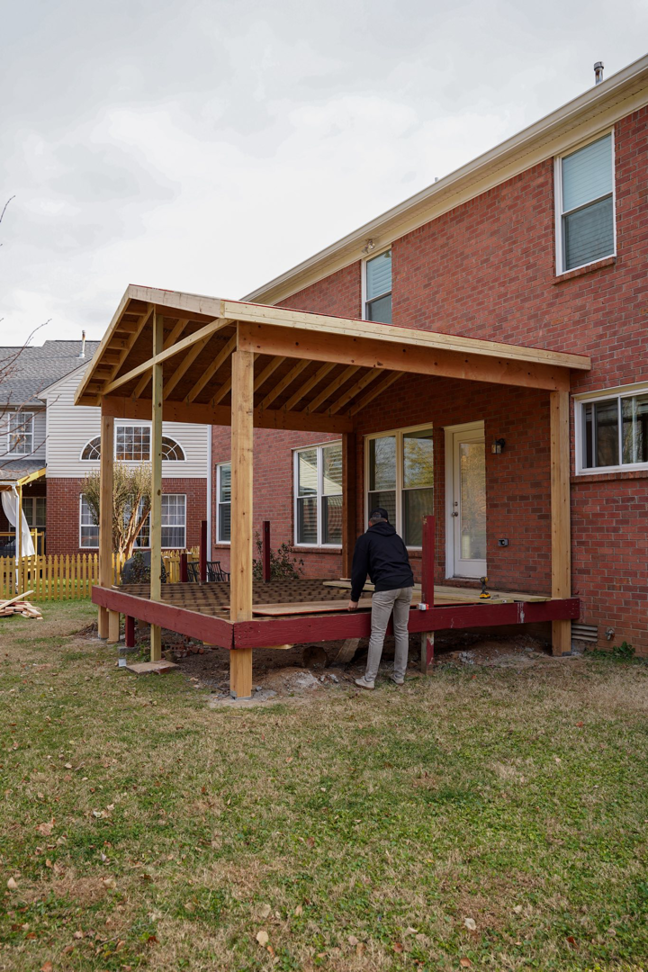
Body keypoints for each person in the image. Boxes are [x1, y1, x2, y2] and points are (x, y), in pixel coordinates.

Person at [347, 507, 414, 689]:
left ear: (370, 523)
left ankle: (369, 679)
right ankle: (399, 676)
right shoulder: (397, 539)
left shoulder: (365, 540)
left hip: (386, 587)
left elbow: (359, 572)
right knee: (402, 631)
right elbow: (405, 562)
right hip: (407, 586)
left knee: (377, 633)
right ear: (386, 522)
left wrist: (355, 598)